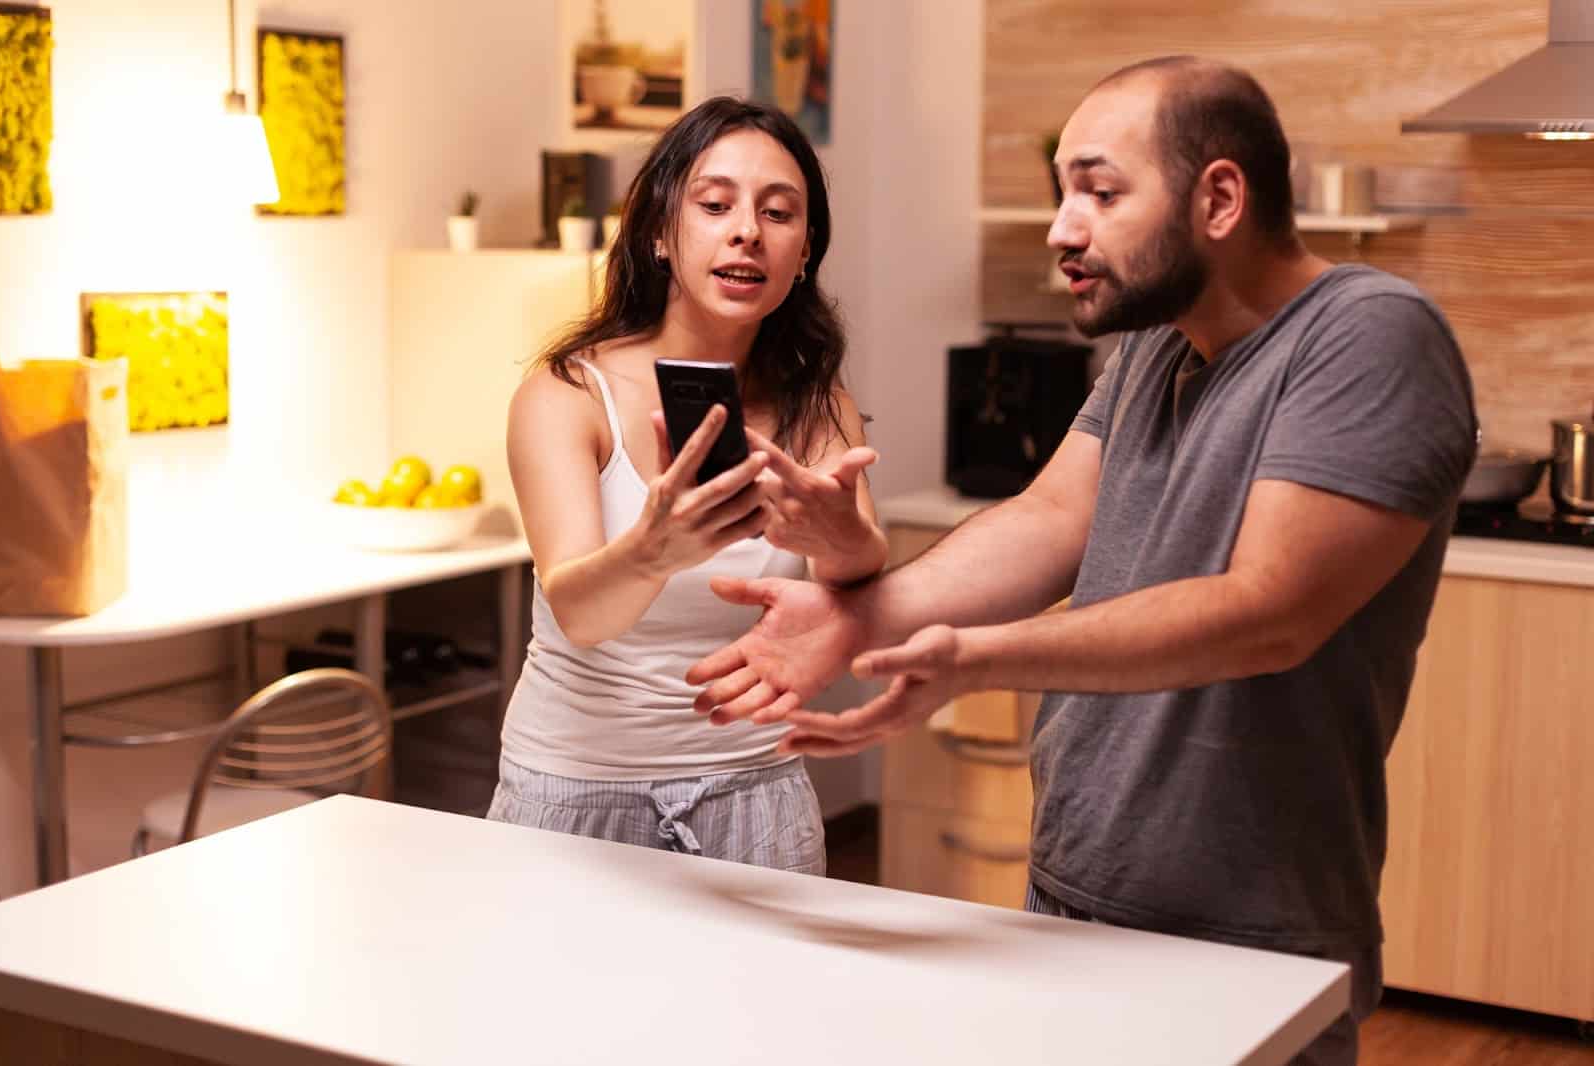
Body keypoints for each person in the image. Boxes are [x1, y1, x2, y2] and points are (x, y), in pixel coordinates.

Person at [687, 57, 1477, 1065]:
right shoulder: (1156, 345)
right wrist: (857, 619)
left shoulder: (1369, 335)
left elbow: (1266, 610)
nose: (1063, 226)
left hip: (1247, 928)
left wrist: (971, 659)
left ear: (1219, 198)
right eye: (1064, 191)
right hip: (1074, 885)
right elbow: (1048, 518)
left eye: (1100, 192)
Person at [487, 96, 887, 875]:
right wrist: (654, 548)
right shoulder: (569, 394)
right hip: (572, 795)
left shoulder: (818, 404)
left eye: (779, 213)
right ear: (661, 234)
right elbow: (580, 610)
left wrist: (842, 540)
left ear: (804, 252)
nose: (747, 231)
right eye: (715, 205)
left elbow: (854, 595)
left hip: (757, 791)